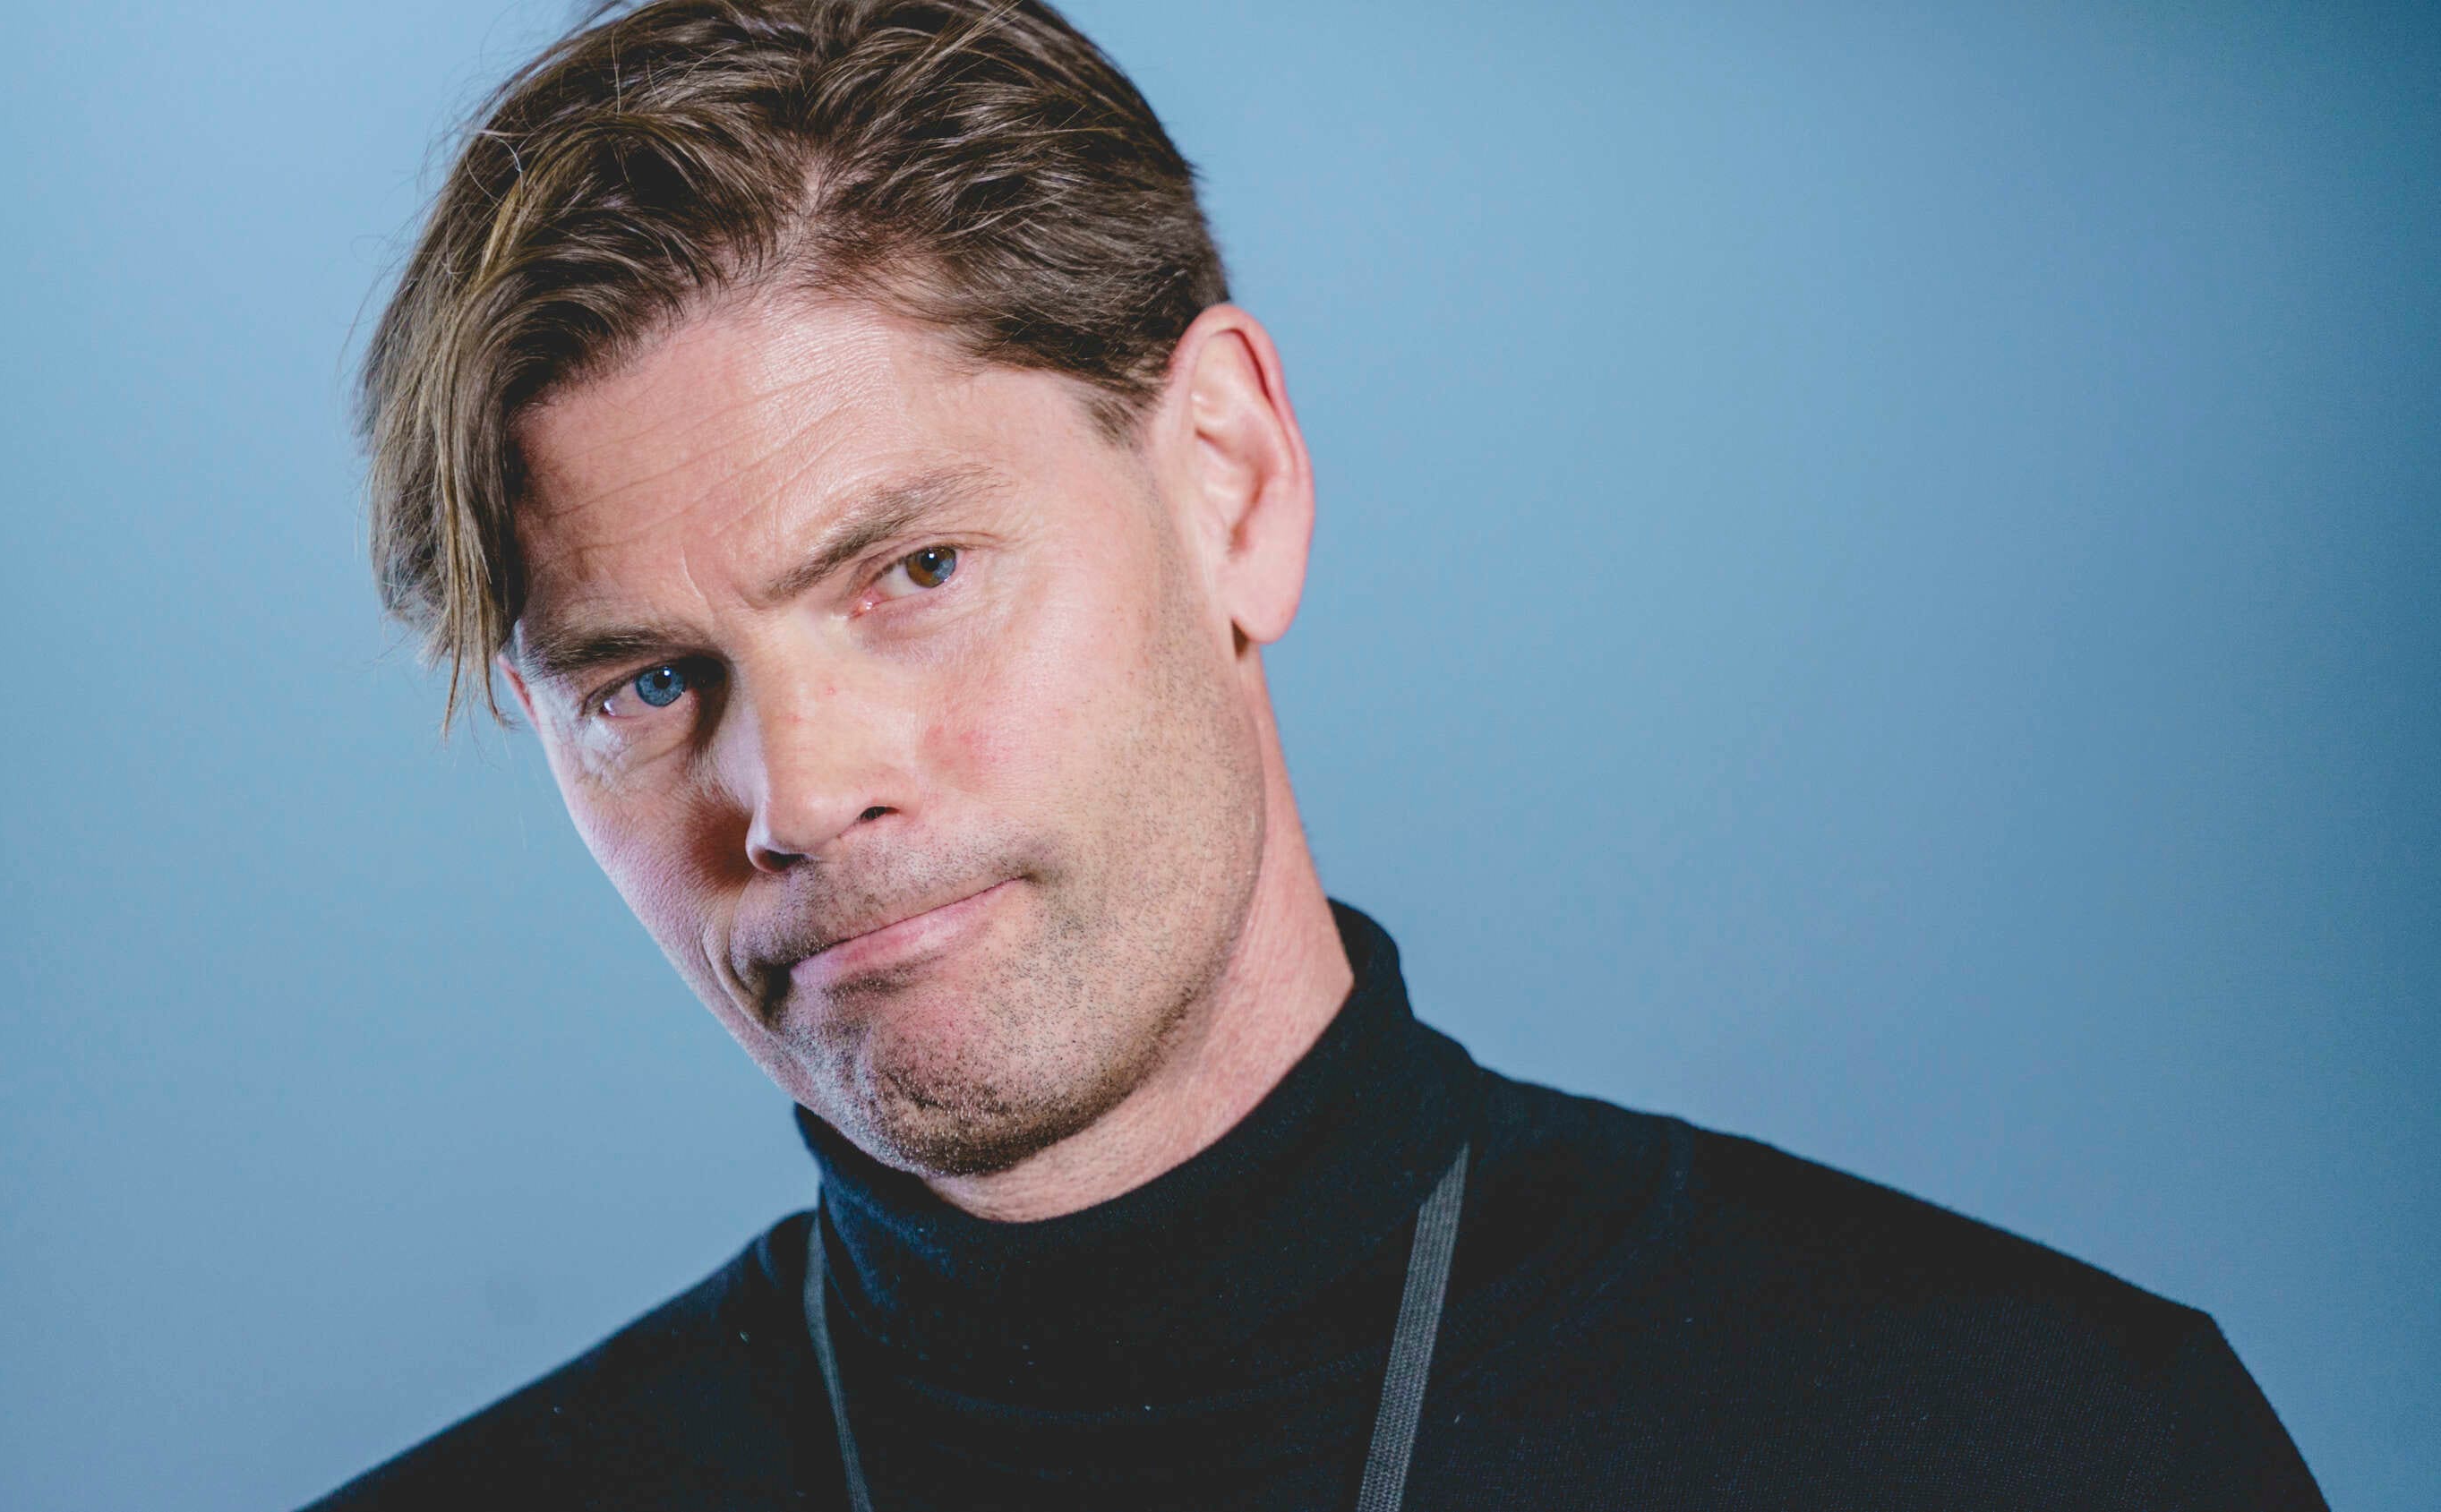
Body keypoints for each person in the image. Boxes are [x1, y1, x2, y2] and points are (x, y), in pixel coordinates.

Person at [310, 1, 2325, 1507]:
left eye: (915, 571)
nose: (800, 793)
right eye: (649, 683)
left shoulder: (2034, 1447)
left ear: (1232, 481)